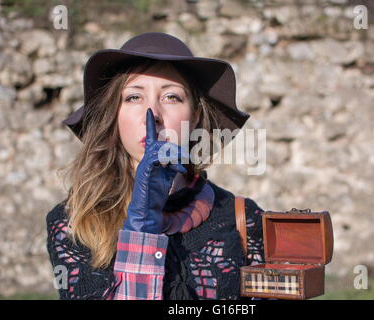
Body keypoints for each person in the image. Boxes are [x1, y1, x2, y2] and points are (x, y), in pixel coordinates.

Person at [46, 32, 265, 300]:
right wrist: (142, 228)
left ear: (194, 117)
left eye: (172, 97)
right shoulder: (73, 222)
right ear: (114, 116)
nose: (153, 116)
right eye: (133, 98)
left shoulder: (243, 218)